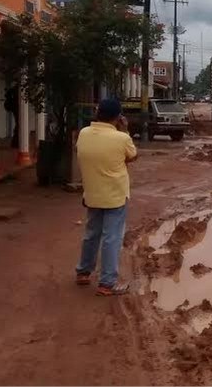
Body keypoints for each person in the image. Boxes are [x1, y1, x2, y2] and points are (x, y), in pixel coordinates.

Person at [75, 99, 138, 296]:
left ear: (97, 113)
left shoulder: (83, 134)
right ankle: (107, 283)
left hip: (92, 193)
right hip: (115, 196)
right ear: (118, 117)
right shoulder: (121, 138)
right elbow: (132, 156)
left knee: (91, 233)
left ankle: (83, 272)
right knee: (112, 238)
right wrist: (125, 130)